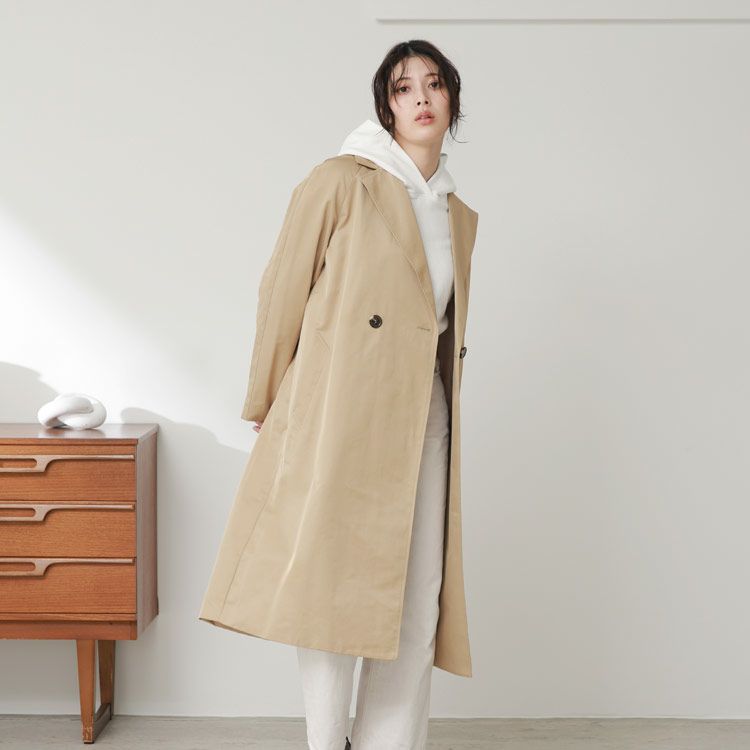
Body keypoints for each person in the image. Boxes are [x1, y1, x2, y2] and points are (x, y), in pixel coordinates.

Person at [198, 38, 478, 750]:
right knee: (330, 587)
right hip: (341, 407)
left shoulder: (455, 213)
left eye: (435, 84)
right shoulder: (340, 180)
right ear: (385, 107)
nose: (421, 98)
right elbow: (282, 288)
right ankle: (327, 743)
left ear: (452, 101)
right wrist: (268, 399)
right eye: (404, 87)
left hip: (426, 413)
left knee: (416, 597)